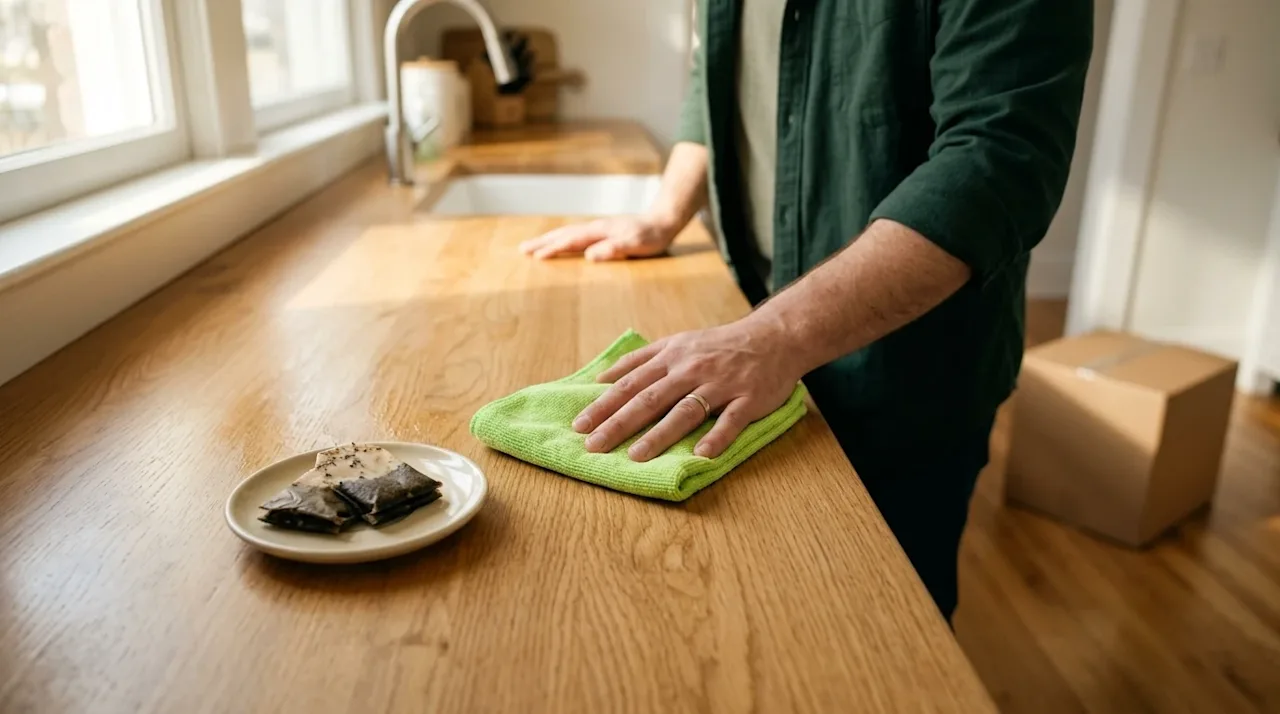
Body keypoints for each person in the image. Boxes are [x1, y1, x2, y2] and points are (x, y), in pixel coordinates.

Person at [518, 0, 1092, 621]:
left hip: (904, 369)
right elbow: (715, 73)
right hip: (751, 325)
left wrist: (771, 337)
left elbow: (998, 160)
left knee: (886, 631)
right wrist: (664, 214)